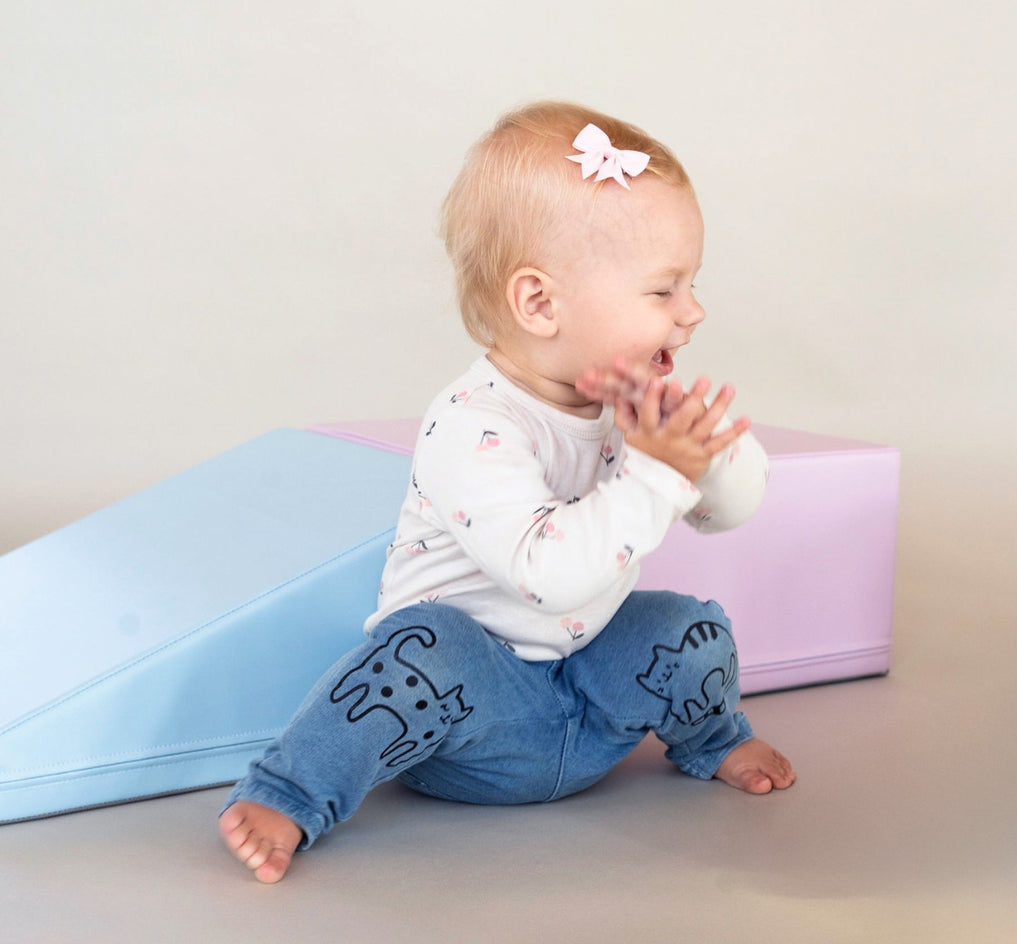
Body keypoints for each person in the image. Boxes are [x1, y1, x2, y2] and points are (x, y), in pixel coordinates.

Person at [219, 101, 795, 883]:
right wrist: (658, 471)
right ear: (540, 304)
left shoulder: (630, 407)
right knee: (420, 650)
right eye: (663, 291)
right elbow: (547, 576)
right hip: (471, 723)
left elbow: (733, 514)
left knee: (685, 628)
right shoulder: (471, 424)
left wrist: (703, 453)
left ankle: (713, 737)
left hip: (588, 697)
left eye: (691, 284)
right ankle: (292, 791)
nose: (693, 312)